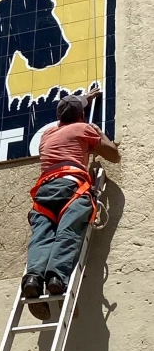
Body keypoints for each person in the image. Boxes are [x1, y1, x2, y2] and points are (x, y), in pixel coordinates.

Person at [22, 89, 121, 320]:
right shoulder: (83, 129)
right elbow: (114, 155)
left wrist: (84, 99)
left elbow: (69, 113)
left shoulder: (47, 134)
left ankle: (33, 279)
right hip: (71, 187)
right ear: (81, 115)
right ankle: (57, 277)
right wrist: (98, 133)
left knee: (41, 237)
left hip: (44, 193)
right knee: (68, 231)